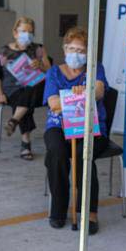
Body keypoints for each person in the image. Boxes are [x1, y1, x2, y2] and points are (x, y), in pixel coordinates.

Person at [43, 26, 108, 233]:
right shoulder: (54, 72)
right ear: (64, 50)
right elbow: (53, 103)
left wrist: (85, 93)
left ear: (88, 53)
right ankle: (59, 208)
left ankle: (90, 213)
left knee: (83, 155)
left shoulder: (95, 69)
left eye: (80, 51)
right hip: (59, 125)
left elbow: (98, 91)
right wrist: (77, 96)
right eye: (71, 49)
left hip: (90, 127)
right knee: (57, 153)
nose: (75, 54)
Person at [0, 16, 50, 159]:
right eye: (23, 31)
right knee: (24, 100)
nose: (27, 34)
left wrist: (40, 66)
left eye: (30, 32)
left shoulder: (38, 49)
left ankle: (15, 120)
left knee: (31, 89)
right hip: (13, 90)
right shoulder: (4, 52)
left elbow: (50, 72)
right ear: (15, 32)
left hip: (36, 90)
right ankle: (25, 143)